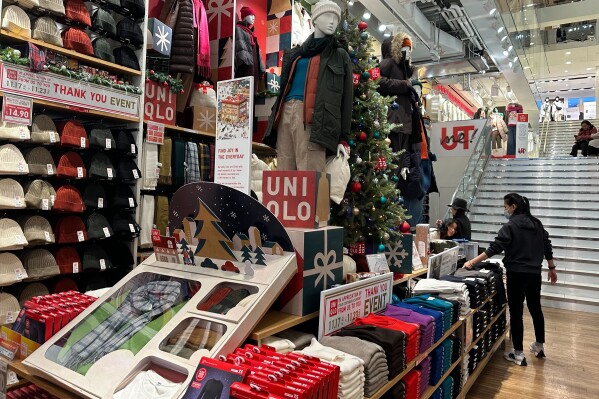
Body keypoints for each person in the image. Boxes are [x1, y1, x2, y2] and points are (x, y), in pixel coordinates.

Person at [463, 193, 558, 366]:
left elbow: (494, 248)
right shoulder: (537, 224)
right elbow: (547, 246)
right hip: (534, 274)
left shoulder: (511, 226)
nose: (504, 210)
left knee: (516, 312)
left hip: (516, 274)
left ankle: (518, 354)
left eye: (505, 206)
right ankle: (539, 346)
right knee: (536, 308)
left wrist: (472, 262)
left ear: (513, 207)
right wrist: (552, 268)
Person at [263, 0, 352, 172]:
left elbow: (346, 99)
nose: (332, 21)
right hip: (285, 115)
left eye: (335, 17)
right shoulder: (296, 54)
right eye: (327, 16)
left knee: (310, 177)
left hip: (314, 118)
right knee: (284, 172)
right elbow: (284, 90)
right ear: (315, 20)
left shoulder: (339, 55)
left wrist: (343, 137)